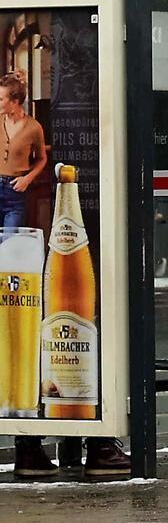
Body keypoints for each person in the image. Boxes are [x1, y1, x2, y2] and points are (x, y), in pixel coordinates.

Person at [5, 71, 131, 480]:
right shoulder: (97, 107)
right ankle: (95, 442)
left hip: (39, 242)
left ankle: (33, 445)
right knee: (88, 326)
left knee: (57, 332)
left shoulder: (43, 123)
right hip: (54, 240)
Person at [0, 71, 46, 234]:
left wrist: (27, 179)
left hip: (15, 192)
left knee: (8, 242)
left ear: (15, 101)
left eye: (1, 99)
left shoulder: (34, 128)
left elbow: (42, 159)